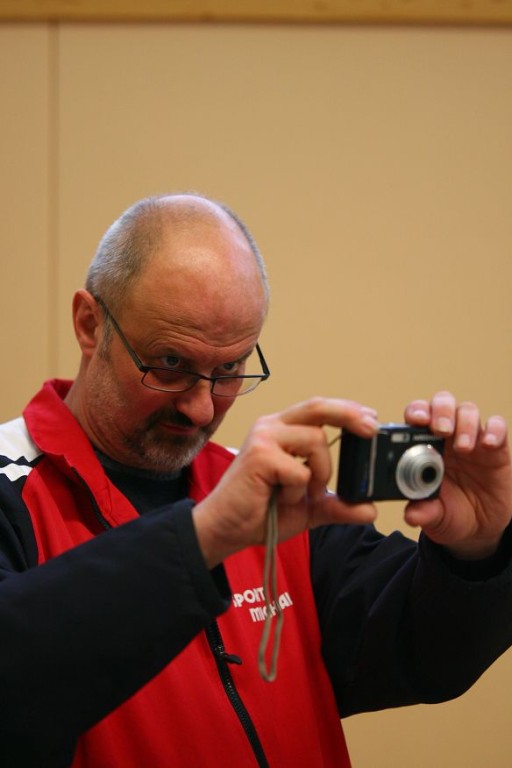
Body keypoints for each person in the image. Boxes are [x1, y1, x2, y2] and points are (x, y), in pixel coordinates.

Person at [0, 193, 511, 768]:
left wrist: (477, 552)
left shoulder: (266, 497)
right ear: (90, 324)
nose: (200, 408)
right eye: (169, 363)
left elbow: (423, 654)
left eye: (229, 369)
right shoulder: (11, 487)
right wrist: (204, 538)